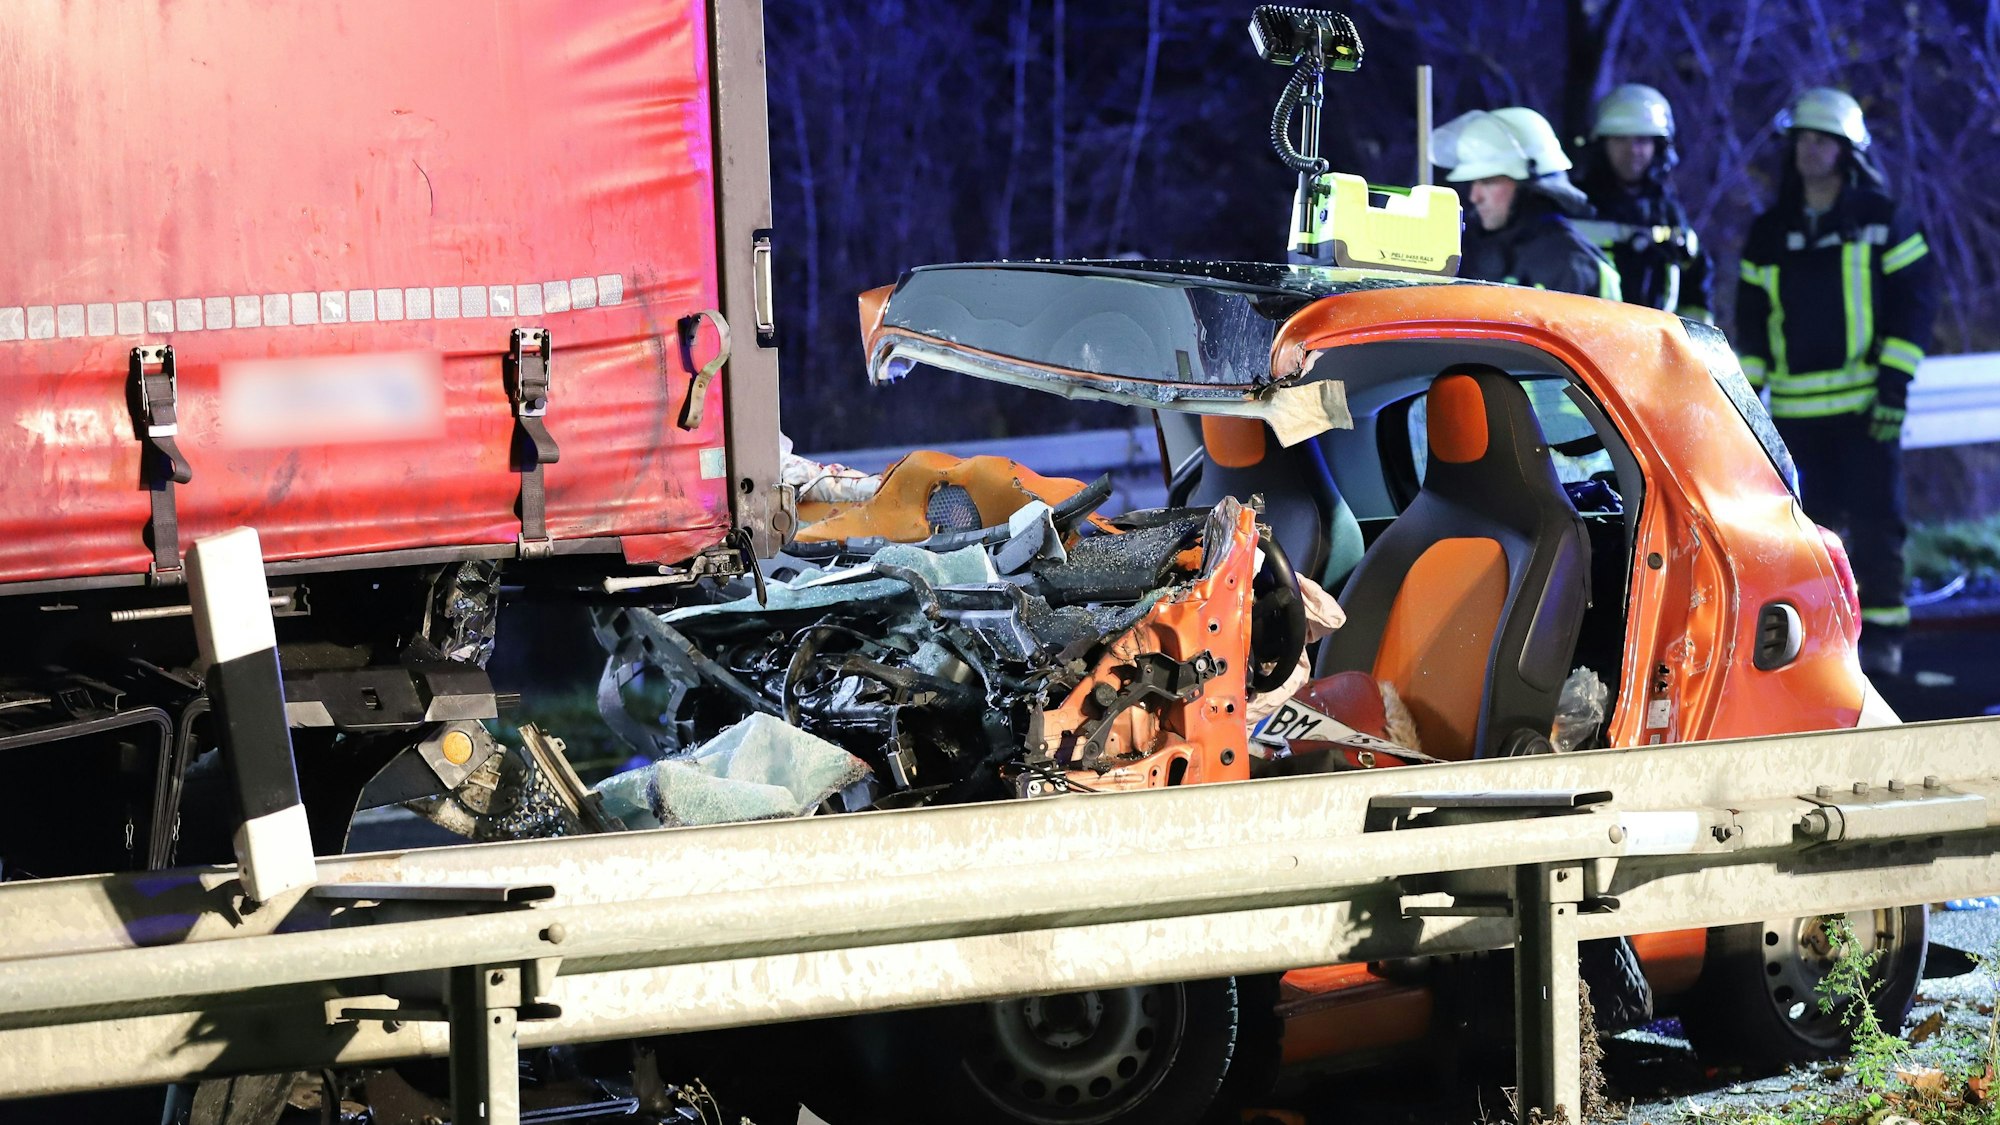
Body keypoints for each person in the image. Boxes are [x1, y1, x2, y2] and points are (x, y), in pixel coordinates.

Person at [1736, 88, 1938, 677]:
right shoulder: (1769, 231)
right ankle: (1817, 645)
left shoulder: (1882, 219)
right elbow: (1753, 324)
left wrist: (1893, 388)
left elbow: (1915, 305)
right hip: (1795, 415)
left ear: (1847, 151)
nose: (1809, 150)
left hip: (1866, 409)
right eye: (1802, 139)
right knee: (1804, 535)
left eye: (1822, 141)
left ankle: (1886, 645)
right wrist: (1745, 409)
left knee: (1877, 526)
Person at [1434, 106, 1620, 299]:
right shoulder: (1476, 249)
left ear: (1529, 186)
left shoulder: (1571, 264)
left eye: (1488, 182)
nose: (1475, 197)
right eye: (1474, 182)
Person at [1575, 84, 1715, 321]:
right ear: (1602, 144)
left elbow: (1696, 283)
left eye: (1642, 140)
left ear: (1658, 148)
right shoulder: (1577, 205)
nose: (1632, 151)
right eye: (1620, 140)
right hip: (1586, 334)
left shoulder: (1668, 213)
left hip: (1652, 340)